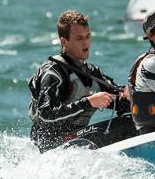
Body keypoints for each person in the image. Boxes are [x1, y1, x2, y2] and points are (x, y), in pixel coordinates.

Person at [28, 11, 138, 152]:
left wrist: (132, 96)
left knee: (135, 119)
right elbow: (46, 115)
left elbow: (120, 99)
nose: (86, 42)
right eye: (79, 38)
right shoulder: (52, 73)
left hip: (76, 139)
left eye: (88, 36)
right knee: (126, 125)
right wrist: (89, 102)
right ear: (64, 42)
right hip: (50, 145)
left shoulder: (92, 73)